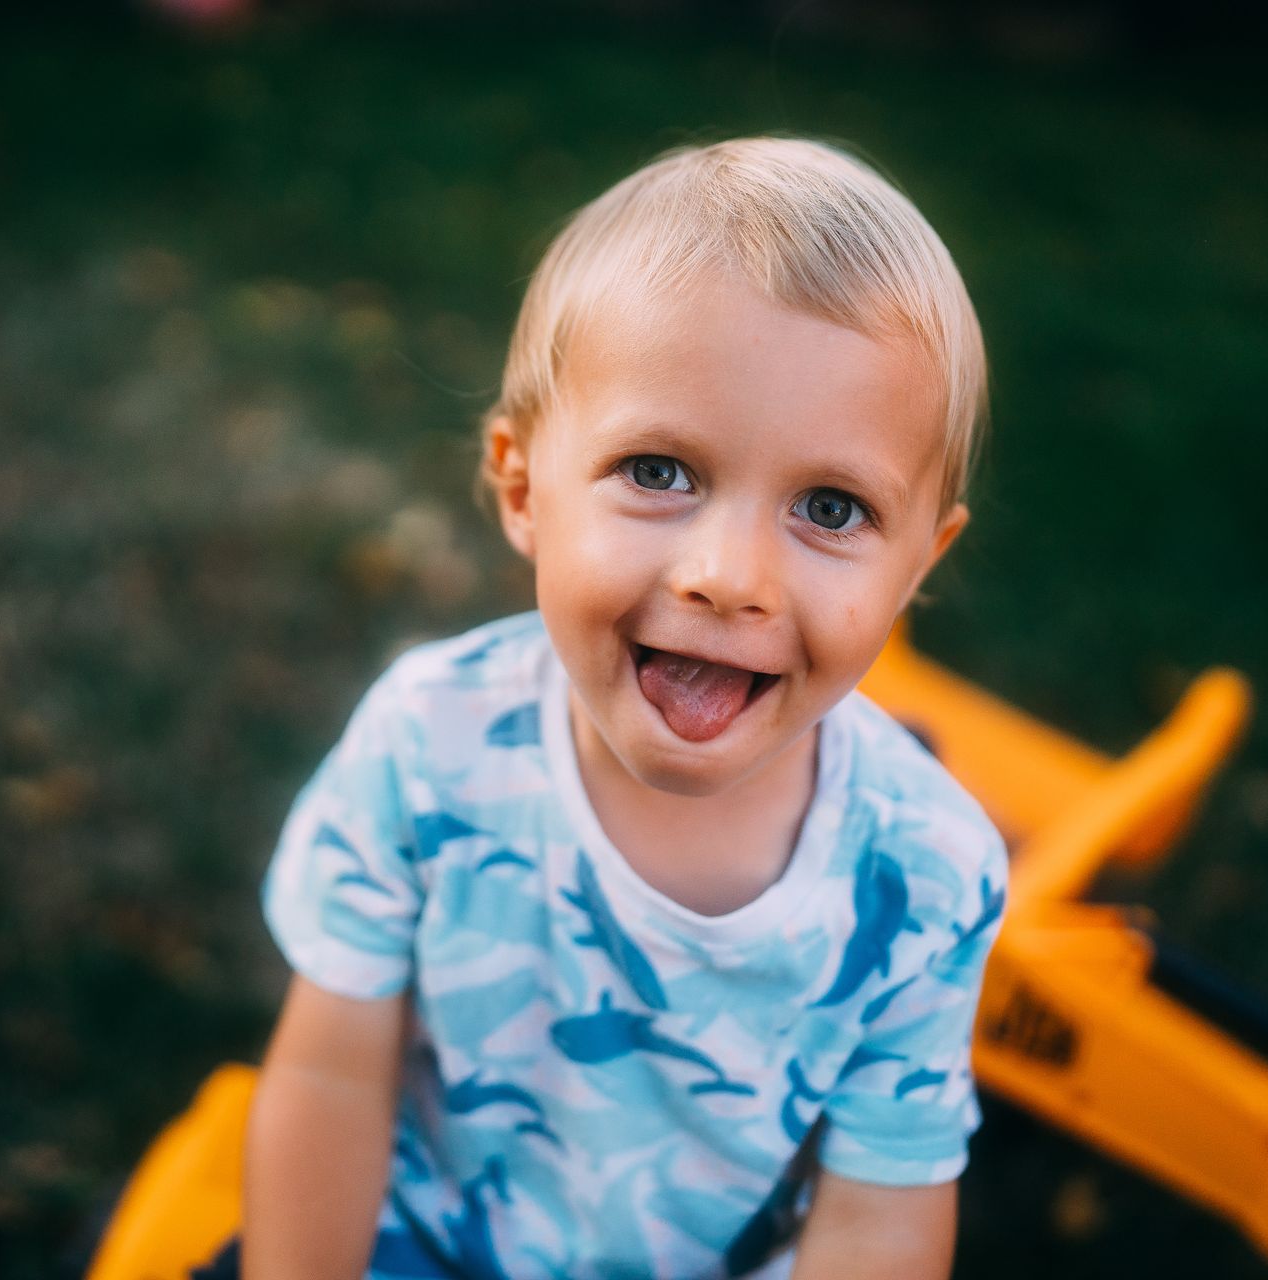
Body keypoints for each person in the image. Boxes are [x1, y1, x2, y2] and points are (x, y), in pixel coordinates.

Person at [239, 137, 1008, 1280]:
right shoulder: (427, 745)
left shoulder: (926, 876)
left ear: (918, 562)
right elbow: (331, 1077)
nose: (729, 573)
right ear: (521, 487)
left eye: (832, 506)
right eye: (659, 472)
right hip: (426, 1244)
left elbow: (878, 1218)